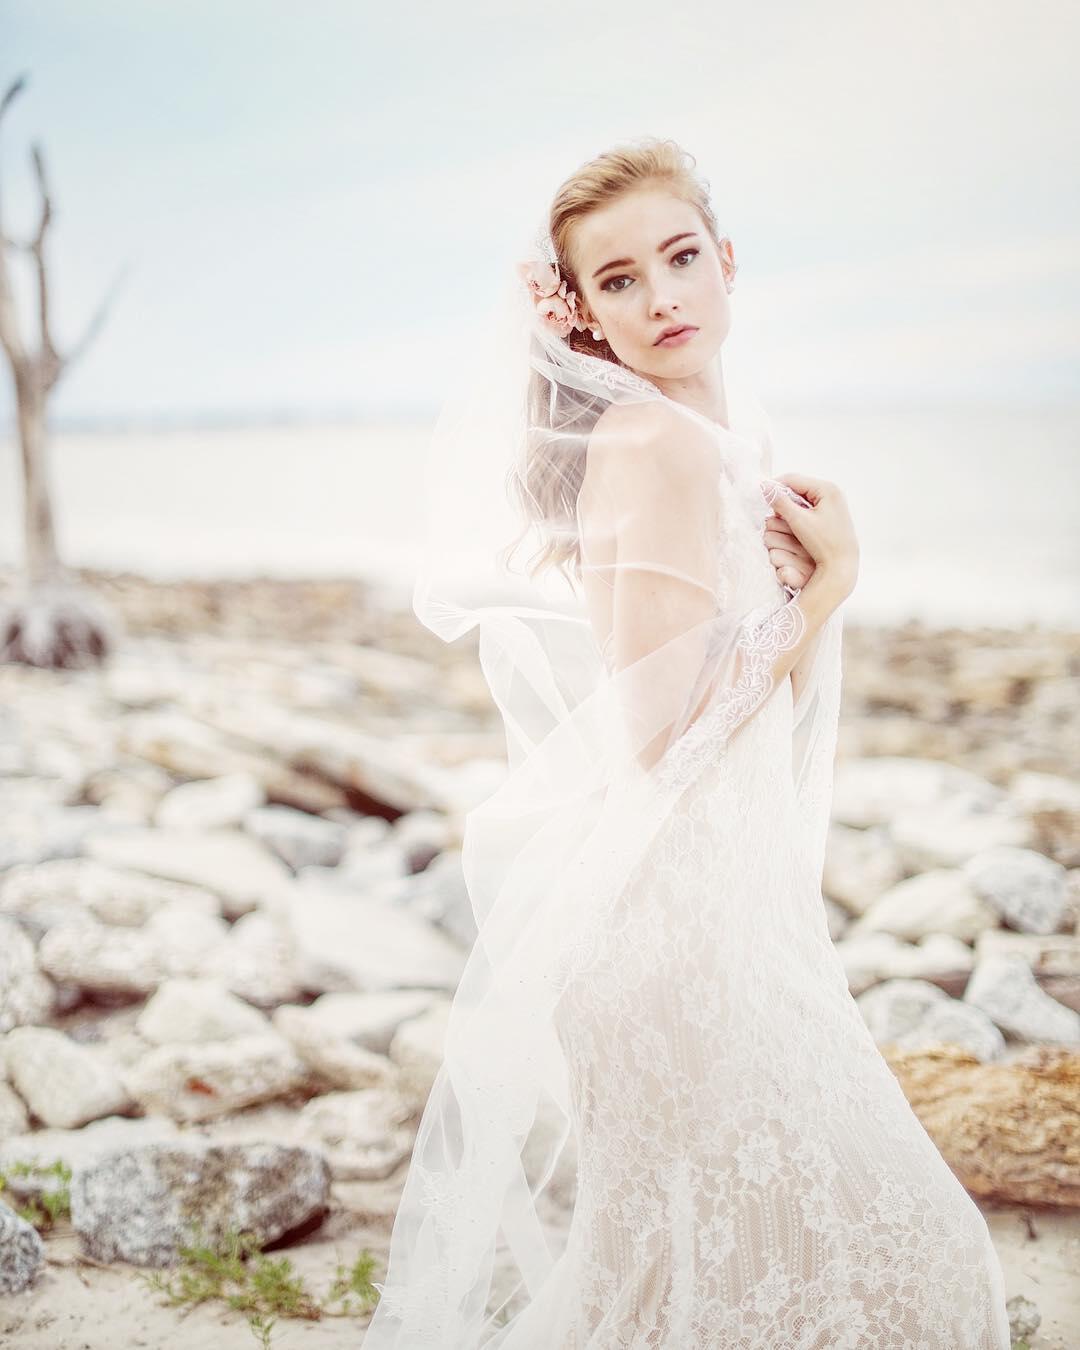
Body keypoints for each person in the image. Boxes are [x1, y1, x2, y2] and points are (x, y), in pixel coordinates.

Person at [362, 137, 1011, 1348]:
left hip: (707, 913)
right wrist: (835, 585)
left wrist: (807, 594)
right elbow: (665, 728)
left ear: (728, 263)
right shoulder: (654, 445)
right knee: (912, 1253)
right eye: (617, 281)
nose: (660, 296)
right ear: (585, 320)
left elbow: (745, 691)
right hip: (674, 936)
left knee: (675, 1281)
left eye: (679, 257)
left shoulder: (714, 446)